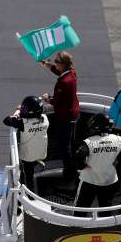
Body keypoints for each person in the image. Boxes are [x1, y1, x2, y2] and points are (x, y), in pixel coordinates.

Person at [73, 114, 121, 215]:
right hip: (109, 180)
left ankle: (78, 228)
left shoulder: (89, 142)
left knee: (81, 209)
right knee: (105, 208)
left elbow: (79, 160)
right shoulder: (118, 139)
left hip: (89, 180)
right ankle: (104, 227)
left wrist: (83, 166)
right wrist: (117, 163)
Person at [41, 51, 79, 181]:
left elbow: (57, 101)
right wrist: (48, 66)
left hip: (65, 118)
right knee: (71, 143)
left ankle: (69, 173)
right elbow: (61, 73)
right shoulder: (72, 73)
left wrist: (47, 98)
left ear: (63, 64)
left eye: (57, 62)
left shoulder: (64, 83)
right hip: (73, 114)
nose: (55, 63)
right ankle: (73, 168)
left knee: (65, 146)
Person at [3, 97, 50, 196]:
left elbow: (7, 120)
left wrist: (17, 111)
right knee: (32, 163)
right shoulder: (45, 119)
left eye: (25, 109)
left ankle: (30, 195)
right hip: (41, 152)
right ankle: (37, 162)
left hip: (28, 157)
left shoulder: (24, 123)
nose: (23, 110)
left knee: (28, 175)